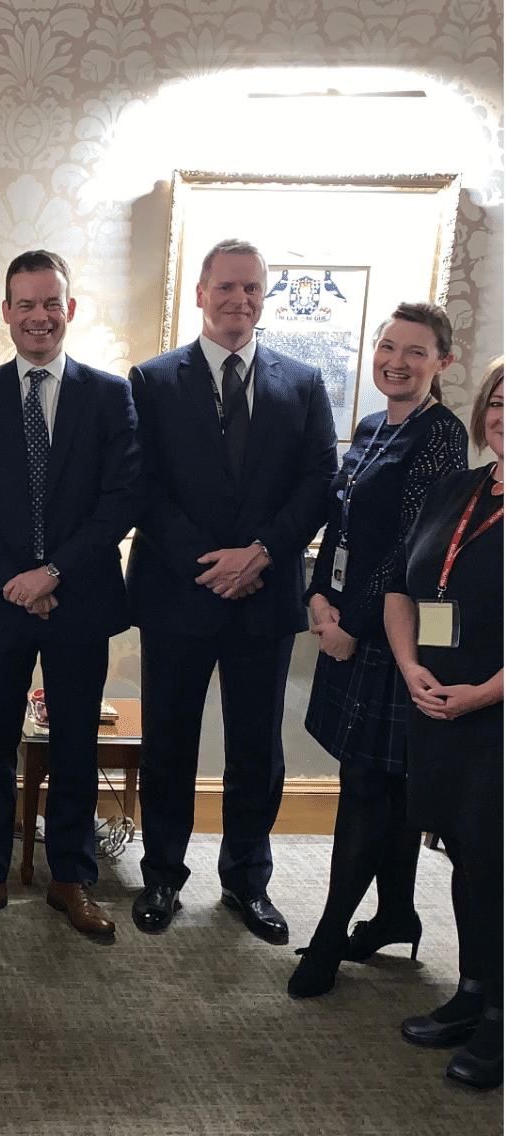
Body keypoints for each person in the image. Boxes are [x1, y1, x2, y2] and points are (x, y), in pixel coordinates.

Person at [125, 238, 338, 941]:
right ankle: (161, 876)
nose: (239, 301)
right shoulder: (151, 382)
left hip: (265, 596)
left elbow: (318, 483)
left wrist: (261, 554)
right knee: (168, 745)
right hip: (179, 593)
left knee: (256, 751)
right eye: (227, 288)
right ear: (200, 293)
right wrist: (210, 562)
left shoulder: (303, 384)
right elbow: (142, 488)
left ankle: (248, 882)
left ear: (264, 296)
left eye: (252, 289)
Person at [0, 250, 141, 936]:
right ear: (5, 312)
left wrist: (53, 573)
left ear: (70, 309)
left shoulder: (110, 395)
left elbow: (121, 500)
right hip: (0, 601)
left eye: (50, 303)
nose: (38, 316)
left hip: (80, 598)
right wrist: (16, 579)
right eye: (24, 304)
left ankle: (72, 879)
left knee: (77, 746)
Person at [288, 303, 467, 999]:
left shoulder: (441, 437)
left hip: (394, 634)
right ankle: (394, 914)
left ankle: (332, 935)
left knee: (368, 786)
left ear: (441, 364)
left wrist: (352, 624)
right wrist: (315, 595)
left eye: (415, 352)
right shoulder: (368, 426)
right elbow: (341, 527)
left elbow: (409, 548)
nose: (396, 360)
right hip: (348, 618)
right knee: (381, 785)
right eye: (387, 346)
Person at [384, 360, 503, 1090]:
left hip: (492, 712)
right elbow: (402, 584)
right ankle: (473, 993)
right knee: (467, 855)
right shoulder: (456, 488)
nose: (503, 418)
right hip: (439, 705)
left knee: (501, 862)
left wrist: (482, 694)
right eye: (498, 403)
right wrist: (410, 668)